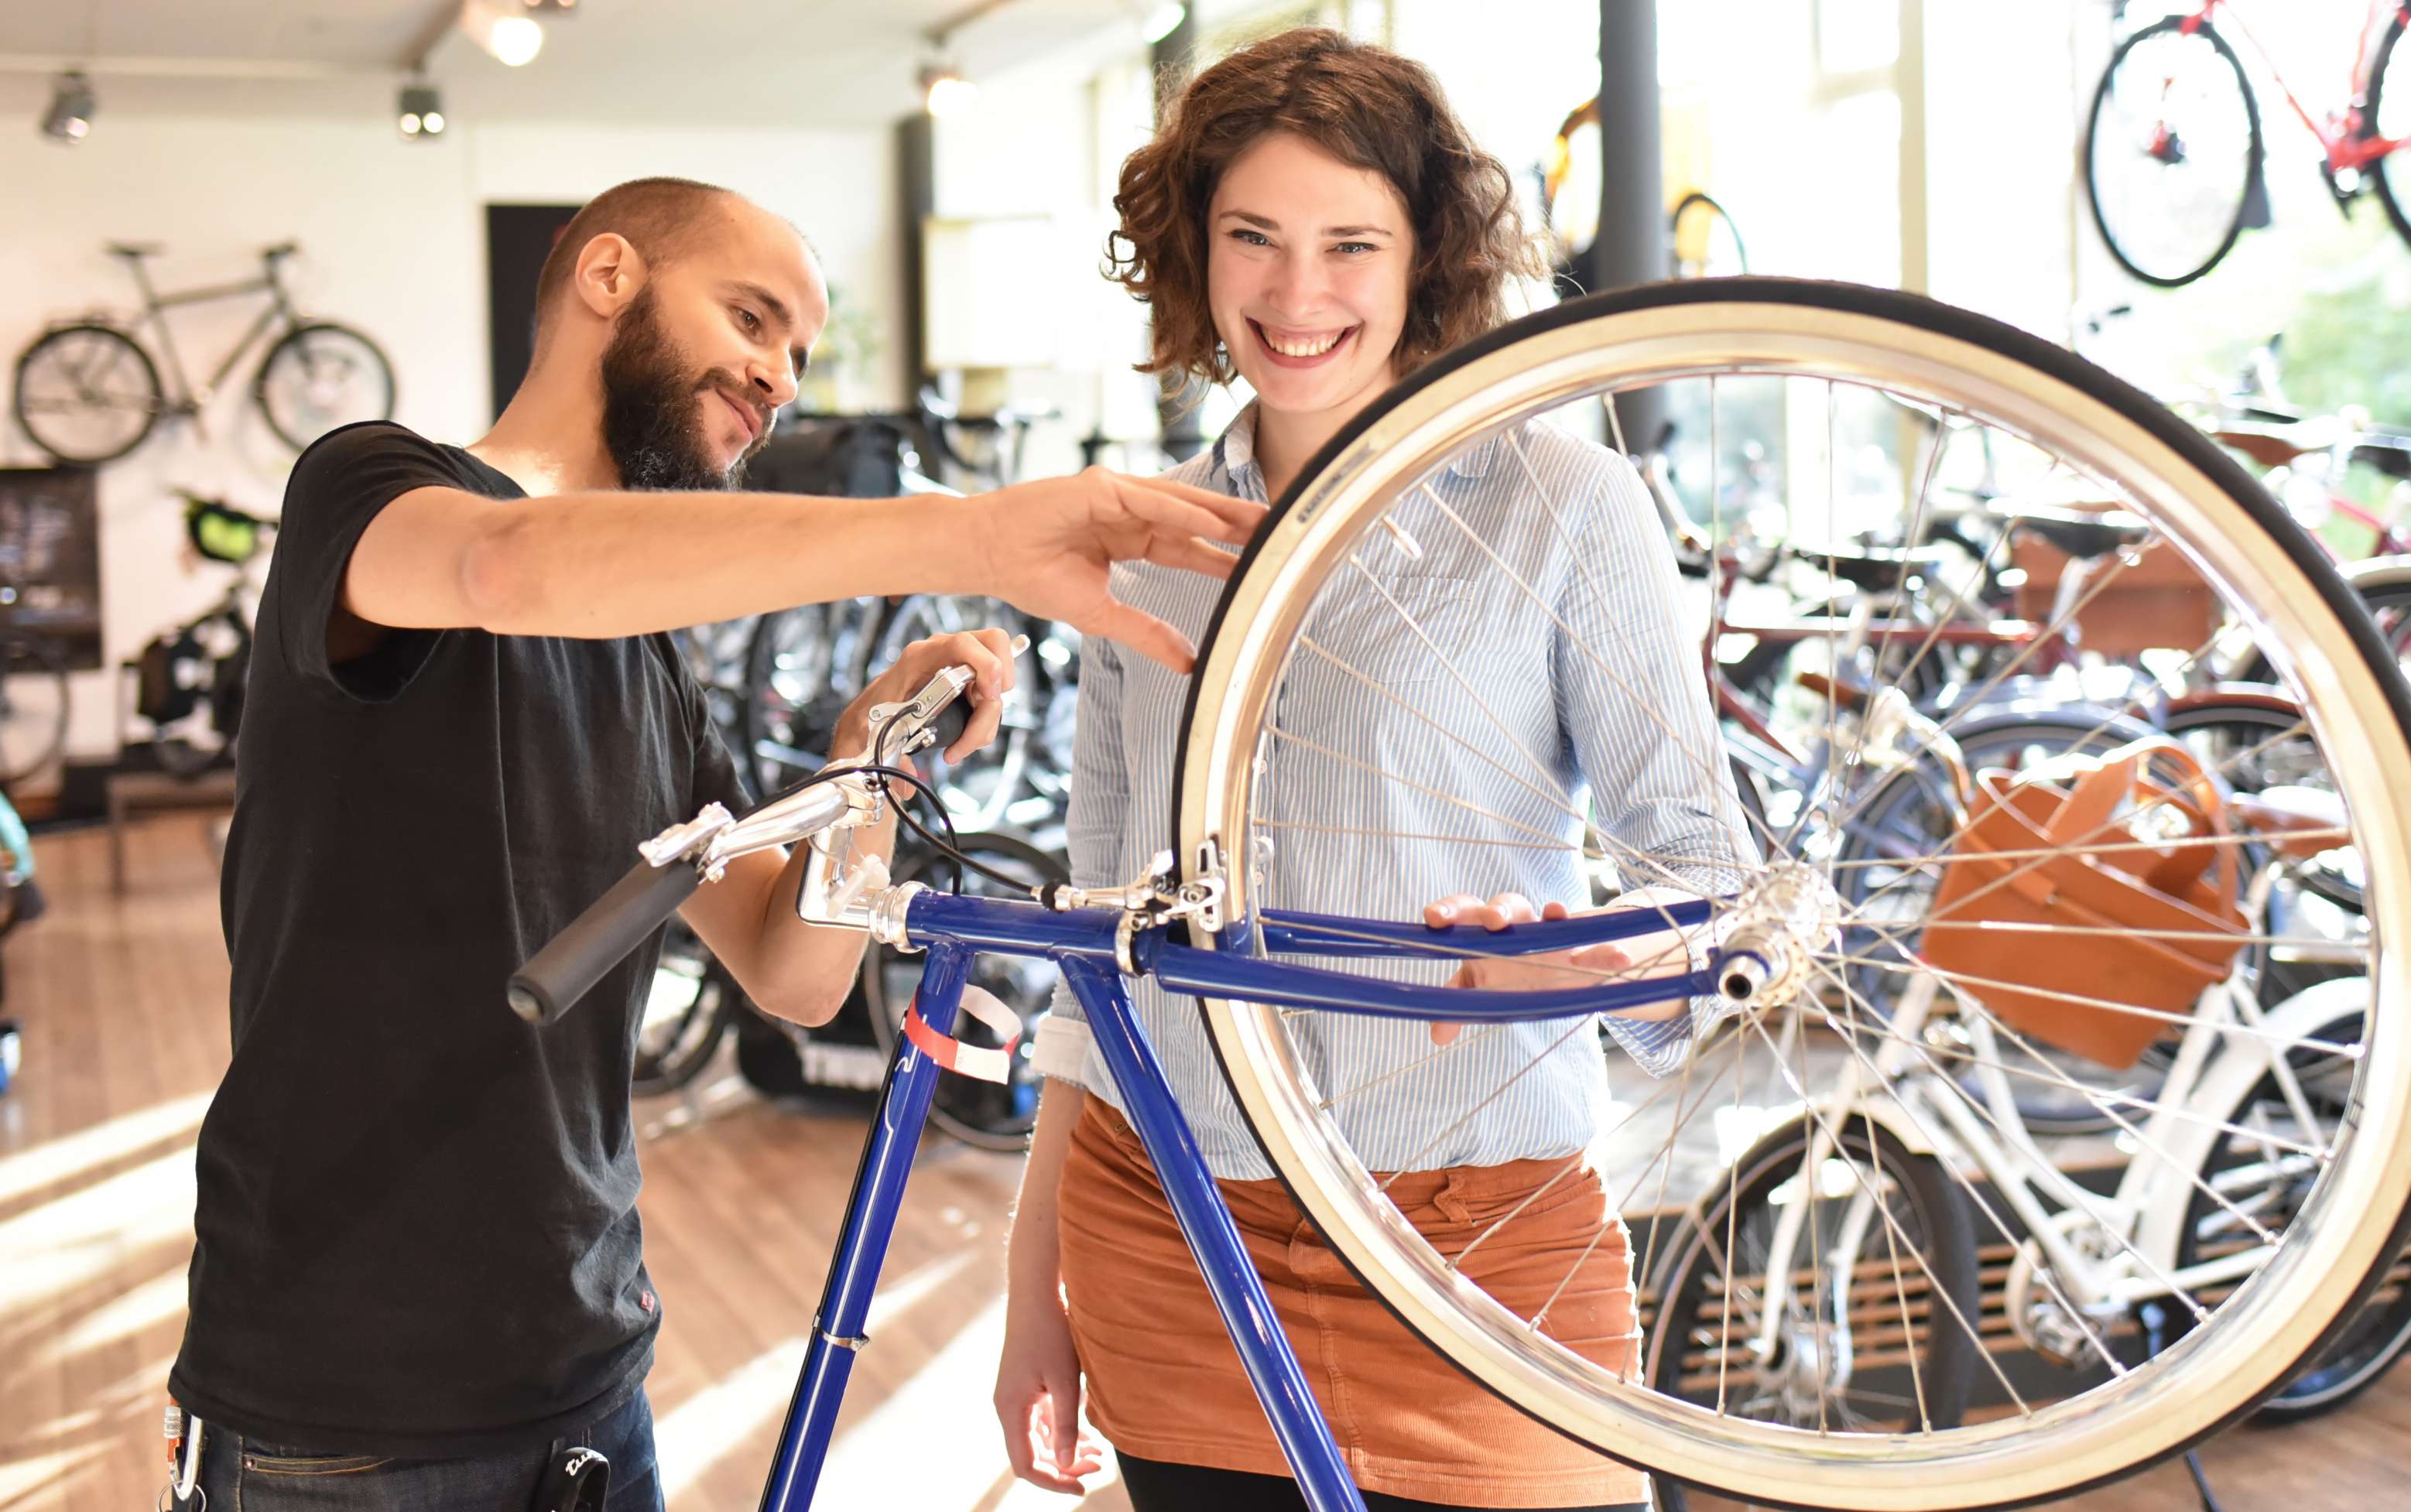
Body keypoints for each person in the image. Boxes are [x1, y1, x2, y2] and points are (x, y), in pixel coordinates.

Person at [168, 176, 1262, 1512]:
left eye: (800, 352)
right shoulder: (372, 487)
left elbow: (787, 968)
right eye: (752, 318)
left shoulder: (650, 668)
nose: (777, 379)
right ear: (608, 275)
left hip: (584, 1371)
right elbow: (502, 572)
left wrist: (869, 752)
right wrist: (971, 533)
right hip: (339, 1409)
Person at [991, 31, 1745, 1512]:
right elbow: (1098, 948)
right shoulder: (1139, 538)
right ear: (1193, 256)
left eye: (1350, 243)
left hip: (1486, 1229)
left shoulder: (1564, 503)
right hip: (1173, 1227)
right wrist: (1039, 1293)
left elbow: (1709, 893)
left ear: (1424, 258)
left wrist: (1585, 963)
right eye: (1252, 239)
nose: (1296, 292)